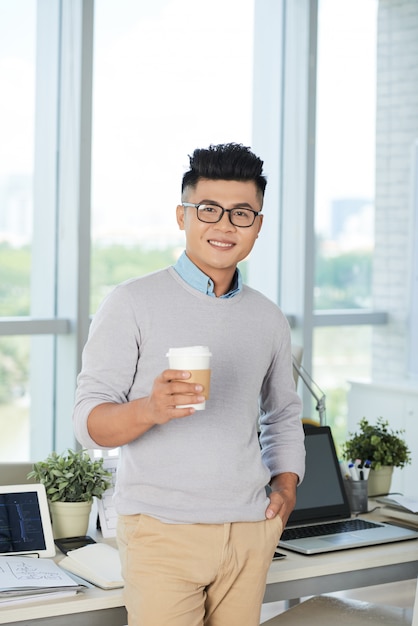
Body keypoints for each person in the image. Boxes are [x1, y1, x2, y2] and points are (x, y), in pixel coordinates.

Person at [73, 142, 305, 626]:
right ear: (183, 216)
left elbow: (282, 414)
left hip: (249, 529)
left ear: (258, 226)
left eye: (242, 213)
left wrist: (286, 486)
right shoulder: (131, 302)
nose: (224, 225)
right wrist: (150, 409)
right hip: (161, 532)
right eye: (208, 210)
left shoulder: (268, 318)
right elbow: (89, 425)